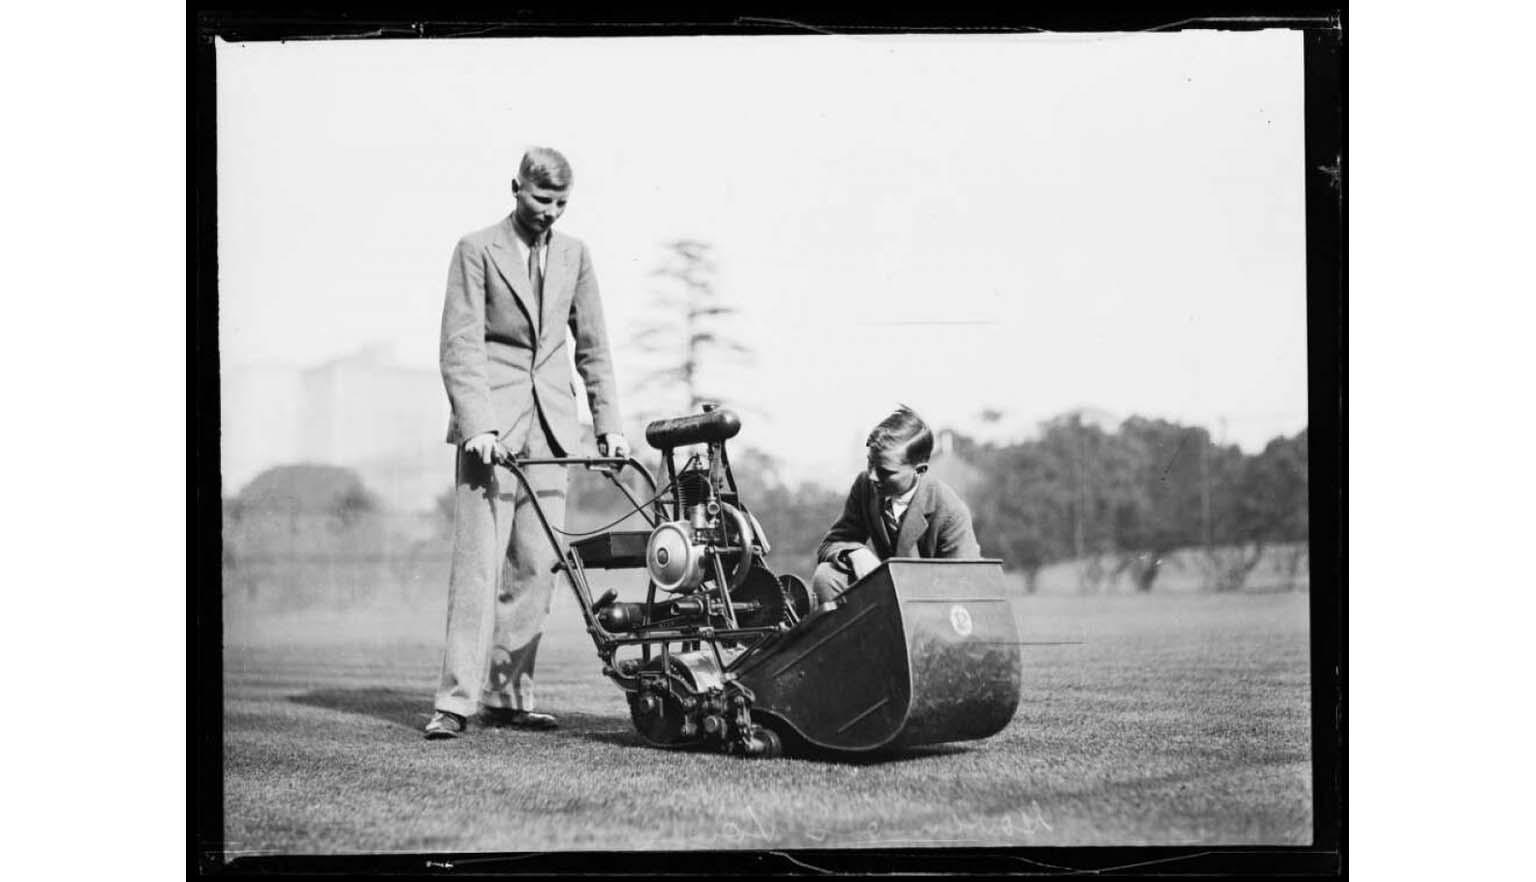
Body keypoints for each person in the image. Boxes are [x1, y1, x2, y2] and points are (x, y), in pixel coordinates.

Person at [426, 147, 628, 739]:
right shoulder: (474, 249)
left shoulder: (576, 255)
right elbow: (458, 344)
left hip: (552, 430)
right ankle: (456, 702)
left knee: (536, 566)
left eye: (562, 204)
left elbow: (593, 346)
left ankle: (510, 696)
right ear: (515, 188)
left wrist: (608, 422)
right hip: (490, 432)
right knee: (480, 570)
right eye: (542, 201)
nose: (551, 214)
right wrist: (478, 424)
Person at [811, 406, 981, 609]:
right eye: (869, 464)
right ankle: (860, 640)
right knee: (827, 576)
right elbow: (831, 543)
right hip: (887, 597)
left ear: (919, 470)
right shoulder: (866, 485)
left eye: (885, 471)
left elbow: (967, 585)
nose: (872, 475)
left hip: (934, 608)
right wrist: (855, 552)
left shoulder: (950, 511)